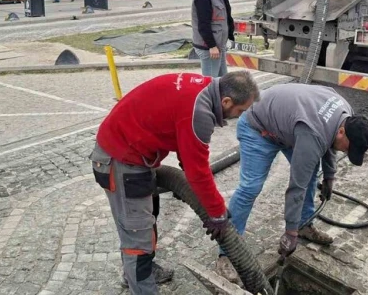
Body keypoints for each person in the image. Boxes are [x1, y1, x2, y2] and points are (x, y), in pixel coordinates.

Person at [89, 71, 260, 295]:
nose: (240, 116)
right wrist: (218, 214)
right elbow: (197, 172)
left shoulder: (204, 89)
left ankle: (144, 270)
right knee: (137, 237)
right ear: (226, 101)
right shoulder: (200, 112)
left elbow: (187, 148)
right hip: (120, 160)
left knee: (147, 218)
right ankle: (141, 285)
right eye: (240, 111)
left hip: (134, 153)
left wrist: (203, 198)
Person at [215, 83, 368, 281]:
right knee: (250, 188)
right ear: (342, 132)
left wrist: (329, 176)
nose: (345, 152)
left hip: (289, 127)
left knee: (311, 172)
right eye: (348, 148)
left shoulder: (346, 114)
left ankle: (304, 225)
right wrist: (290, 234)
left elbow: (330, 143)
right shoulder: (313, 133)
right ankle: (226, 253)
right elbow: (297, 186)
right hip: (258, 127)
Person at [192, 0, 244, 77]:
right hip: (210, 48)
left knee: (222, 80)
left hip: (218, 45)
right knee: (211, 83)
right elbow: (203, 25)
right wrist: (212, 46)